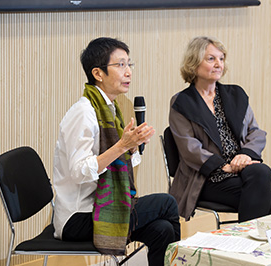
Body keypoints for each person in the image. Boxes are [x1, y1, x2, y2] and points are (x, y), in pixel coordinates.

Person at [53, 37, 180, 265]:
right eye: (120, 65)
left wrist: (131, 147)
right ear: (98, 74)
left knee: (162, 230)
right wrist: (121, 146)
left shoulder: (110, 109)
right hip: (77, 217)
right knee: (167, 203)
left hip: (100, 208)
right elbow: (79, 171)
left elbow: (116, 164)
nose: (128, 72)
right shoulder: (84, 113)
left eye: (129, 64)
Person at [169, 36, 271, 223]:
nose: (218, 64)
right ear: (194, 63)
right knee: (264, 194)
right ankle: (251, 244)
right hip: (206, 176)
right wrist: (222, 165)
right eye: (211, 59)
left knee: (262, 173)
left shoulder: (235, 94)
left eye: (221, 59)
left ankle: (244, 244)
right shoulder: (182, 102)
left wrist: (245, 155)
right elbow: (188, 147)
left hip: (241, 168)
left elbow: (256, 132)